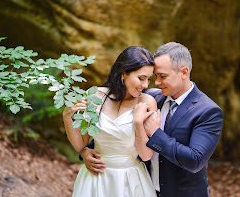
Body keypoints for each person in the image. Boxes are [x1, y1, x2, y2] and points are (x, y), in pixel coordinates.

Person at [82, 42, 224, 197]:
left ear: (184, 72)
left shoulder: (208, 111)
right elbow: (118, 130)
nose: (155, 83)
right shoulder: (152, 97)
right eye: (155, 76)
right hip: (143, 189)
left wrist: (156, 134)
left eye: (162, 76)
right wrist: (87, 150)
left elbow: (195, 160)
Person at [63, 46, 158, 197]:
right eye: (141, 78)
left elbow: (146, 155)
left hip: (130, 180)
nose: (146, 85)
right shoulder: (94, 96)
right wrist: (67, 117)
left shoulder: (147, 102)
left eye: (148, 79)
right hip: (97, 178)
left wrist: (138, 124)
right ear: (124, 73)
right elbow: (80, 144)